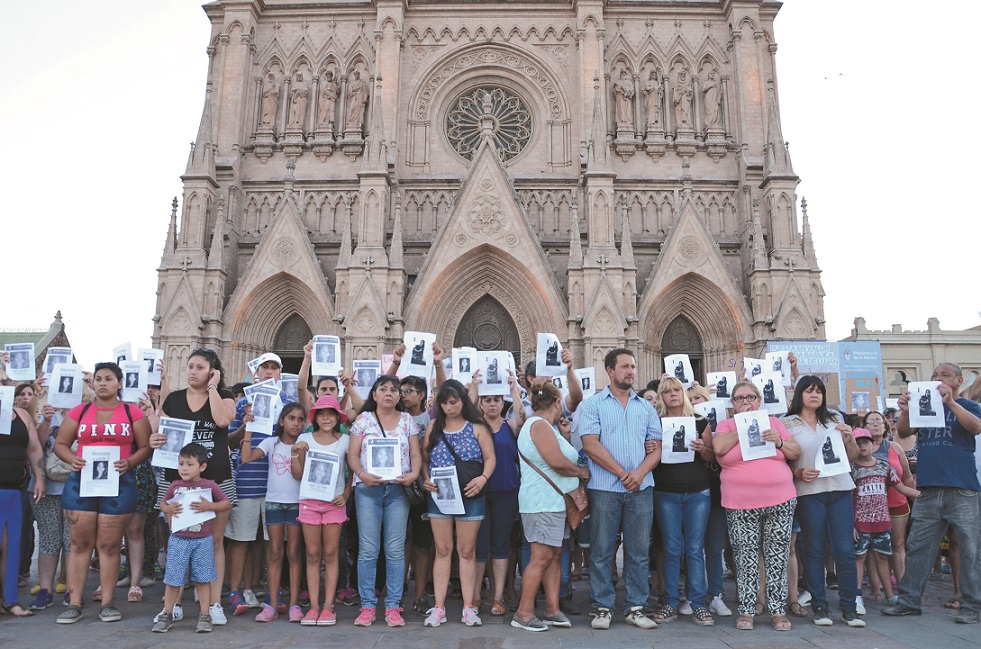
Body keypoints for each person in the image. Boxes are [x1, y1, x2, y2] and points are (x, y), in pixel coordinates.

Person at [53, 362, 152, 624]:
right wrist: (71, 458)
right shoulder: (79, 411)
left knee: (109, 545)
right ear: (92, 383)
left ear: (120, 383)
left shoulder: (133, 413)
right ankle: (74, 603)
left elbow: (145, 448)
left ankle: (108, 603)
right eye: (98, 379)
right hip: (81, 483)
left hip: (120, 484)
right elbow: (60, 444)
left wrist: (130, 462)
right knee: (79, 543)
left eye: (109, 378)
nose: (103, 383)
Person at [883, 363, 981, 624]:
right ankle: (909, 600)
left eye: (945, 376)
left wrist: (950, 403)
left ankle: (973, 605)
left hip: (962, 488)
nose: (938, 379)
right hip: (927, 488)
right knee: (919, 547)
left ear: (959, 381)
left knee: (971, 549)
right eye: (935, 376)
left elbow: (976, 427)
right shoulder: (924, 406)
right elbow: (904, 432)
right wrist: (904, 411)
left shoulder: (968, 406)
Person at [150, 349, 235, 625]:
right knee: (178, 543)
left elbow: (223, 421)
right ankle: (172, 604)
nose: (193, 371)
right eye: (190, 366)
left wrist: (213, 387)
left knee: (214, 543)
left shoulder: (224, 396)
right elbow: (159, 427)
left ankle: (213, 603)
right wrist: (155, 439)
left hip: (215, 479)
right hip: (176, 480)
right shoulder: (174, 399)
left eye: (200, 367)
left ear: (212, 371)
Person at [579, 348, 661, 630]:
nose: (631, 371)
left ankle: (635, 607)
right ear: (610, 371)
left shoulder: (646, 407)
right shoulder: (593, 405)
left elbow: (656, 448)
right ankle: (602, 606)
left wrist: (638, 474)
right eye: (625, 366)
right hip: (604, 488)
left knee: (639, 550)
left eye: (633, 367)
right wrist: (623, 473)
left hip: (641, 488)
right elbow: (590, 444)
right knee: (602, 549)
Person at [712, 380, 800, 631]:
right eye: (739, 398)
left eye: (751, 397)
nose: (746, 402)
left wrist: (780, 442)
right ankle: (748, 611)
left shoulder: (774, 423)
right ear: (733, 405)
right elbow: (718, 448)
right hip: (741, 503)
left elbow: (795, 451)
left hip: (780, 499)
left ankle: (777, 611)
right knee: (746, 557)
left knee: (777, 556)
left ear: (760, 401)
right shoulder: (726, 425)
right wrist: (745, 427)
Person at [782, 375, 863, 628]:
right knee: (814, 551)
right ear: (800, 395)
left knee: (844, 551)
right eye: (808, 391)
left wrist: (850, 439)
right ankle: (820, 606)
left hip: (839, 488)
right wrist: (798, 473)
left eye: (818, 391)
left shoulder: (835, 419)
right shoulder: (787, 423)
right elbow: (783, 461)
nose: (814, 395)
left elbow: (851, 458)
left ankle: (849, 607)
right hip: (809, 493)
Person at [511, 382, 589, 632]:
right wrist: (581, 471)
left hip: (552, 502)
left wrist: (565, 438)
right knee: (542, 556)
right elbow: (557, 463)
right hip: (541, 502)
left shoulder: (546, 427)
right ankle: (523, 613)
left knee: (554, 555)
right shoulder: (539, 425)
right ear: (557, 403)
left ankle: (552, 610)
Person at [347, 375, 422, 627]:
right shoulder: (363, 421)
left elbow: (415, 453)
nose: (389, 393)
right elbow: (353, 455)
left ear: (399, 396)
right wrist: (362, 475)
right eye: (383, 389)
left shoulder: (408, 421)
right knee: (368, 549)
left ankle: (393, 606)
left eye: (394, 389)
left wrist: (413, 474)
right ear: (375, 394)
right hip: (368, 491)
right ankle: (367, 605)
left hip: (398, 491)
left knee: (395, 549)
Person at [421, 379, 497, 628]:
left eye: (453, 402)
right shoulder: (434, 425)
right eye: (444, 403)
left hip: (470, 492)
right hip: (441, 494)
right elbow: (424, 458)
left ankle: (468, 607)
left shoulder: (477, 427)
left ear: (463, 401)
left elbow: (490, 458)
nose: (449, 408)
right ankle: (439, 607)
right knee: (442, 550)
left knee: (467, 551)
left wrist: (483, 478)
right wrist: (426, 479)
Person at [226, 352, 291, 617]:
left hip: (278, 481)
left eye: (274, 367)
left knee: (269, 541)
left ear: (280, 373)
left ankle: (265, 589)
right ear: (257, 371)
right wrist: (245, 425)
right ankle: (236, 591)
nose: (269, 371)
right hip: (248, 480)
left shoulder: (287, 403)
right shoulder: (244, 403)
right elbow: (230, 442)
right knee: (242, 538)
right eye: (264, 367)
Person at [649, 378, 716, 626]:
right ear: (662, 397)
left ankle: (698, 603)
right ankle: (670, 602)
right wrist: (651, 446)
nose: (673, 395)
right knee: (671, 549)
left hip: (698, 493)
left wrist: (702, 449)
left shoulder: (699, 421)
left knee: (695, 549)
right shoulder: (655, 422)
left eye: (676, 390)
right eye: (667, 392)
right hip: (666, 493)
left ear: (683, 393)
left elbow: (712, 456)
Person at [153, 443, 231, 633]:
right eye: (181, 464)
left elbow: (226, 503)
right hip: (178, 539)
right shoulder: (174, 486)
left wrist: (209, 507)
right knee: (173, 579)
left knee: (203, 579)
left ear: (202, 467)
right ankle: (167, 613)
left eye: (189, 464)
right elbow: (163, 503)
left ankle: (205, 615)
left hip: (202, 539)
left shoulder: (209, 485)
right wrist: (168, 509)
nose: (184, 468)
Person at [240, 402, 307, 622]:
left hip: (297, 504)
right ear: (281, 421)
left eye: (300, 419)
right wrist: (248, 428)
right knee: (275, 553)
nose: (296, 423)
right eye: (291, 418)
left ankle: (295, 604)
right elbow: (246, 458)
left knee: (294, 554)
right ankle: (271, 603)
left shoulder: (306, 444)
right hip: (274, 503)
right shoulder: (272, 443)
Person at [470, 368, 526, 617]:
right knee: (479, 547)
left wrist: (515, 389)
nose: (492, 404)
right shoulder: (473, 426)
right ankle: (475, 596)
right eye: (487, 400)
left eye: (496, 399)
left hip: (506, 492)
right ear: (480, 403)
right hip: (479, 493)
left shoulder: (510, 425)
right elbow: (466, 410)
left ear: (503, 402)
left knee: (501, 545)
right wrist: (473, 386)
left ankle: (498, 597)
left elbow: (524, 419)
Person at [291, 395, 351, 626]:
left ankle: (328, 607)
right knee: (313, 554)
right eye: (322, 413)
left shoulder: (345, 440)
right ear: (315, 417)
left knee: (331, 554)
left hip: (334, 503)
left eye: (331, 413)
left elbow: (352, 470)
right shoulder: (304, 438)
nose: (326, 418)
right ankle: (314, 607)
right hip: (309, 501)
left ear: (338, 417)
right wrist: (295, 452)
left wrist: (346, 494)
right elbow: (297, 474)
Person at [850, 428, 920, 610]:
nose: (862, 446)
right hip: (860, 523)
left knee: (882, 557)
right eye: (857, 443)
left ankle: (889, 595)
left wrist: (922, 495)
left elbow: (901, 487)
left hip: (882, 522)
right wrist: (851, 525)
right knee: (859, 558)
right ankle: (856, 597)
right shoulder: (851, 470)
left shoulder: (884, 466)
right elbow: (847, 500)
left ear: (874, 444)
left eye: (865, 442)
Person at [687, 384, 732, 617]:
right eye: (690, 399)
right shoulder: (687, 425)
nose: (694, 402)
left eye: (698, 398)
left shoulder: (723, 427)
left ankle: (715, 594)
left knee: (713, 545)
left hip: (716, 492)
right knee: (692, 547)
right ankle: (693, 595)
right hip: (692, 491)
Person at [0, 383, 44, 618]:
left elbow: (34, 448)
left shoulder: (22, 415)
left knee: (10, 545)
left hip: (12, 490)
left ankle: (9, 600)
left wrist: (40, 478)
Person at [863, 410, 915, 596]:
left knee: (898, 545)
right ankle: (876, 589)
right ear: (864, 427)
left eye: (879, 421)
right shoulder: (860, 449)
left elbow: (907, 478)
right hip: (872, 507)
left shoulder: (895, 448)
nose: (876, 424)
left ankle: (903, 588)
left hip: (897, 502)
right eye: (871, 421)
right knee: (872, 548)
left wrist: (916, 497)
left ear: (885, 426)